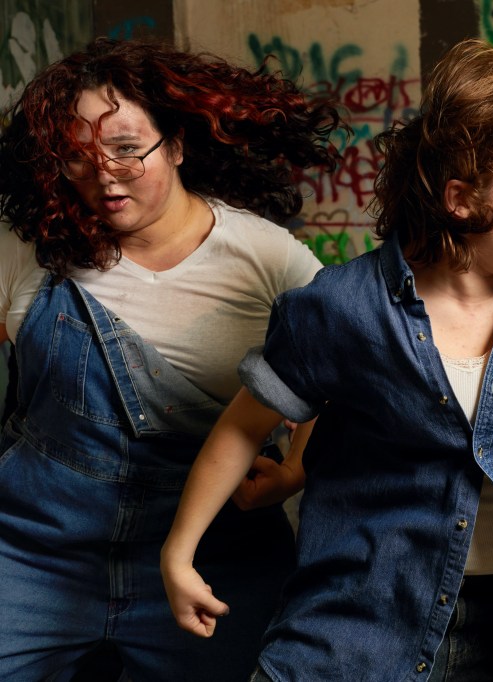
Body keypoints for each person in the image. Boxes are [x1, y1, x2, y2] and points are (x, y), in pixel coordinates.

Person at [161, 39, 493, 682]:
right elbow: (243, 426)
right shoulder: (341, 307)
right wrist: (179, 552)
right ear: (460, 199)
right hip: (369, 617)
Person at [0, 37, 343, 681]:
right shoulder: (29, 250)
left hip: (219, 559)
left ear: (177, 144)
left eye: (127, 148)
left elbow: (344, 375)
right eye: (78, 156)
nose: (105, 174)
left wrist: (295, 469)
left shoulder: (269, 259)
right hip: (33, 552)